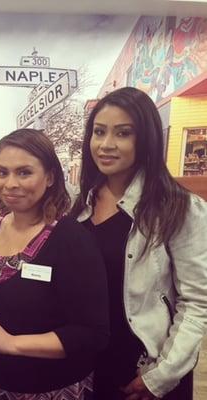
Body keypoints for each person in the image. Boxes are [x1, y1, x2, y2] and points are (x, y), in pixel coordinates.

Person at [70, 86, 207, 400]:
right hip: (89, 366)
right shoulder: (80, 207)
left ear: (145, 139)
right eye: (99, 132)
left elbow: (197, 303)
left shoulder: (180, 208)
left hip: (144, 369)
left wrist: (160, 377)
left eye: (123, 133)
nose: (106, 145)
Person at [0, 129, 109, 400]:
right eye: (2, 172)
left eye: (24, 172)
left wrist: (10, 343)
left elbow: (92, 334)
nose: (10, 183)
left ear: (49, 177)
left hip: (52, 389)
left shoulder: (71, 238)